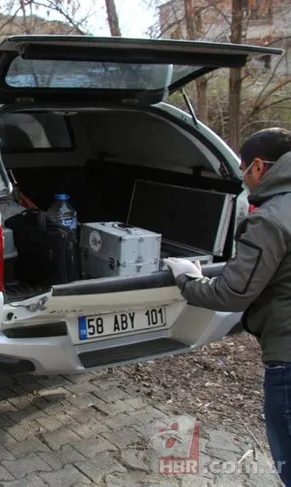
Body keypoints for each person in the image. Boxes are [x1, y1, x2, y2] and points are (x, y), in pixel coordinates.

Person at [164, 127, 291, 487]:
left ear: (258, 167)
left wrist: (188, 280)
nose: (242, 178)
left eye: (242, 169)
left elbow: (232, 293)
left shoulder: (271, 218)